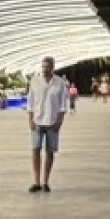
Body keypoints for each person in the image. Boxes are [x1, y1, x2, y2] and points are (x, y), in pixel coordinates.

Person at [26, 56, 70, 192]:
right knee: (35, 149)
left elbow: (63, 104)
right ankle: (36, 182)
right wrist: (30, 120)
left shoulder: (59, 83)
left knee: (50, 151)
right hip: (37, 121)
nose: (44, 69)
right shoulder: (35, 81)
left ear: (52, 68)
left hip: (52, 121)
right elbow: (30, 102)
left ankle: (46, 182)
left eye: (47, 67)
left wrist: (59, 121)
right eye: (43, 66)